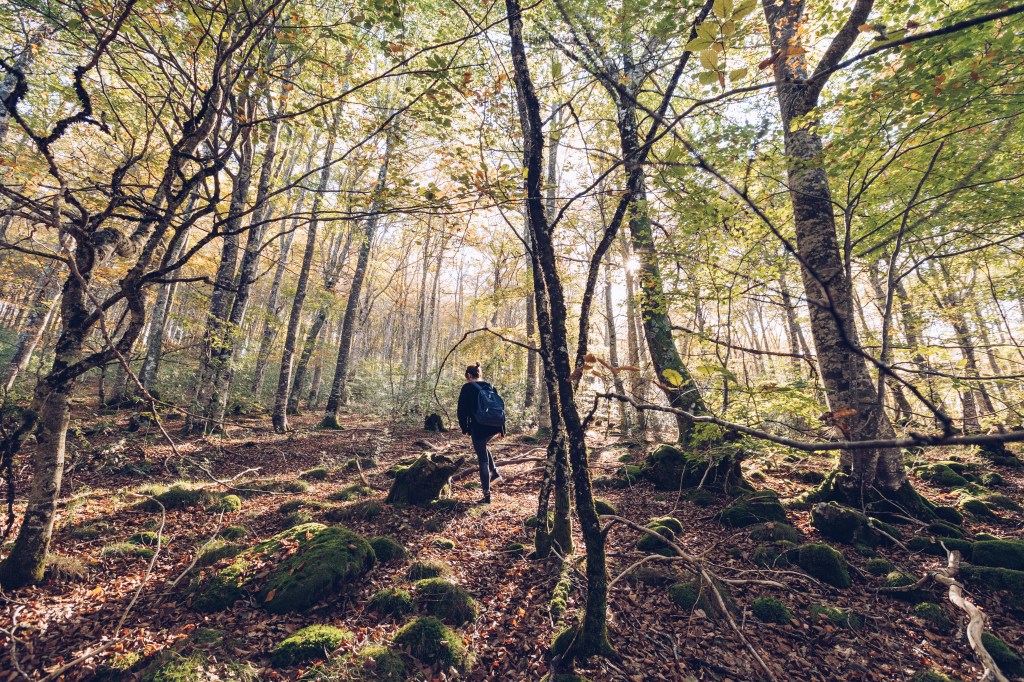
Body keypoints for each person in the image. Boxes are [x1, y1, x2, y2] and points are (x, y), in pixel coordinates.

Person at [457, 362, 504, 504]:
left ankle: (486, 496)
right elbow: (499, 407)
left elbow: (461, 411)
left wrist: (465, 428)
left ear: (469, 375)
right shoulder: (489, 386)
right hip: (494, 425)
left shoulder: (467, 387)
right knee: (483, 446)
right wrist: (502, 428)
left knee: (482, 460)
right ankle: (495, 473)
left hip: (479, 426)